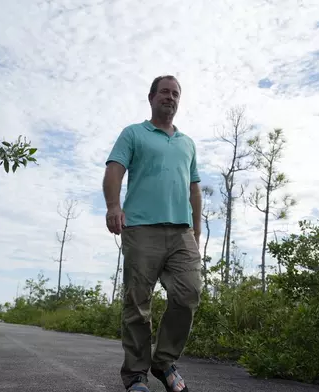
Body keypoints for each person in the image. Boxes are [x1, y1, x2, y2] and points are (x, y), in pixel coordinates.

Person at [102, 75, 203, 392]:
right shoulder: (134, 134)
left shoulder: (187, 143)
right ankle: (135, 375)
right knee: (137, 302)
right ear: (151, 97)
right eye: (164, 92)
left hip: (181, 233)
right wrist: (113, 206)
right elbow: (114, 170)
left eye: (175, 94)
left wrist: (196, 232)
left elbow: (194, 190)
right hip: (141, 228)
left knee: (189, 293)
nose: (170, 97)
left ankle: (163, 362)